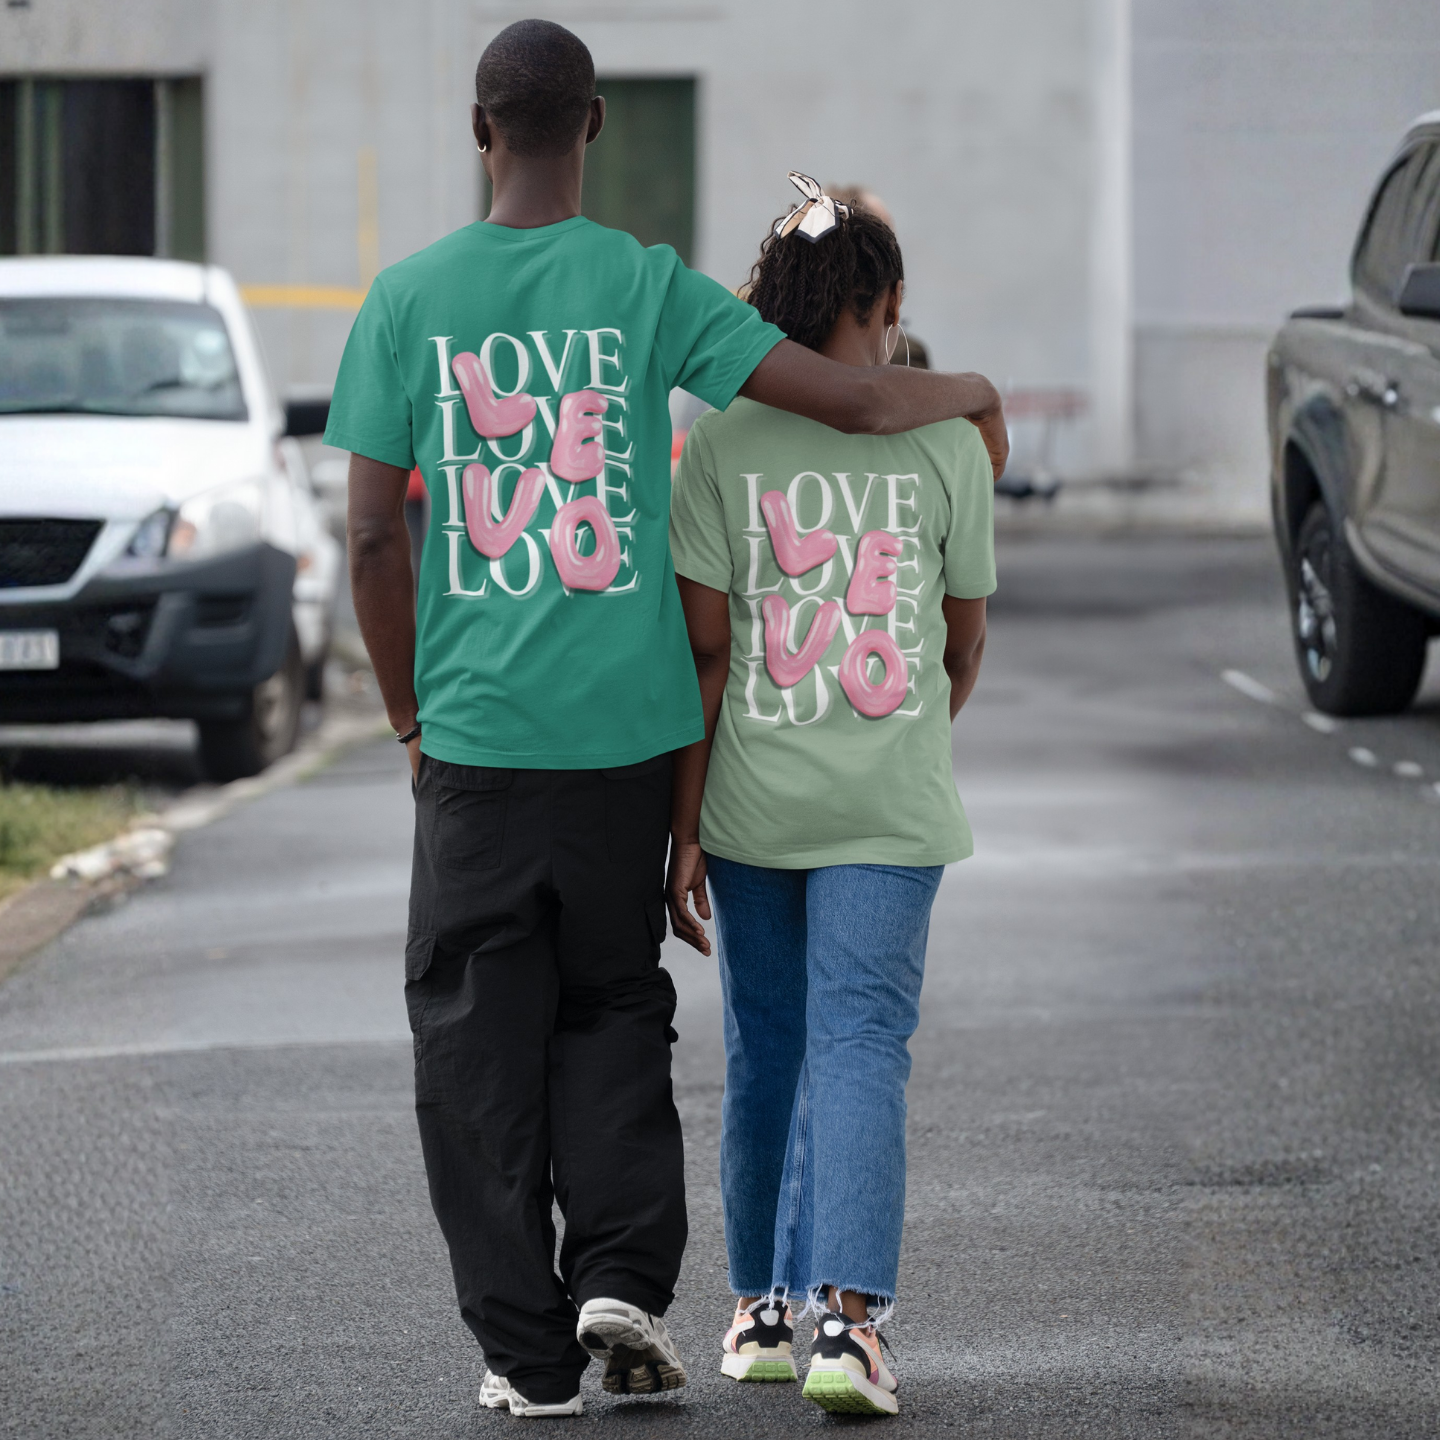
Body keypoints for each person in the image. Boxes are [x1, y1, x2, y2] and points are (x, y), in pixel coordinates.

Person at [327, 20, 1007, 1419]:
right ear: (594, 128)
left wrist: (407, 718)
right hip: (626, 750)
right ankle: (626, 1277)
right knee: (613, 1013)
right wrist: (977, 393)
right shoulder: (645, 288)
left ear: (479, 131)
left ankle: (529, 1355)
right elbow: (858, 399)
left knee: (473, 1044)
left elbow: (372, 547)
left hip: (474, 744)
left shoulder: (404, 300)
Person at [667, 189, 994, 1417]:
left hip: (752, 807)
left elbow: (705, 656)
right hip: (890, 810)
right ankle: (849, 1333)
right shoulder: (948, 443)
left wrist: (685, 826)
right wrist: (904, 733)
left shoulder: (721, 442)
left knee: (765, 1052)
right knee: (862, 1049)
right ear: (891, 307)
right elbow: (963, 644)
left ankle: (757, 1311)